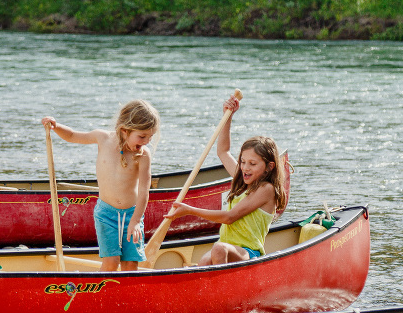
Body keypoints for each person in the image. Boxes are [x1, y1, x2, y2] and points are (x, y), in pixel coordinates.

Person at [164, 96, 287, 265]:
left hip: (249, 252)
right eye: (243, 162)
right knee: (204, 261)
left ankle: (224, 287)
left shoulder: (267, 189)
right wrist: (228, 116)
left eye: (252, 164)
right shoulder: (243, 180)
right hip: (226, 246)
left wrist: (190, 210)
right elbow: (223, 151)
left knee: (218, 248)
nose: (245, 168)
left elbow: (229, 217)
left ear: (269, 167)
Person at [41, 100, 160, 271]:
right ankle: (103, 294)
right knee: (111, 262)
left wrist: (135, 221)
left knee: (130, 263)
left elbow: (143, 190)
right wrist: (56, 126)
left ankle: (124, 296)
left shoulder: (143, 155)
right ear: (124, 131)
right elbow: (74, 136)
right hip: (106, 214)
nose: (147, 141)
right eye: (142, 136)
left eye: (150, 136)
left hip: (132, 216)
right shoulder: (102, 138)